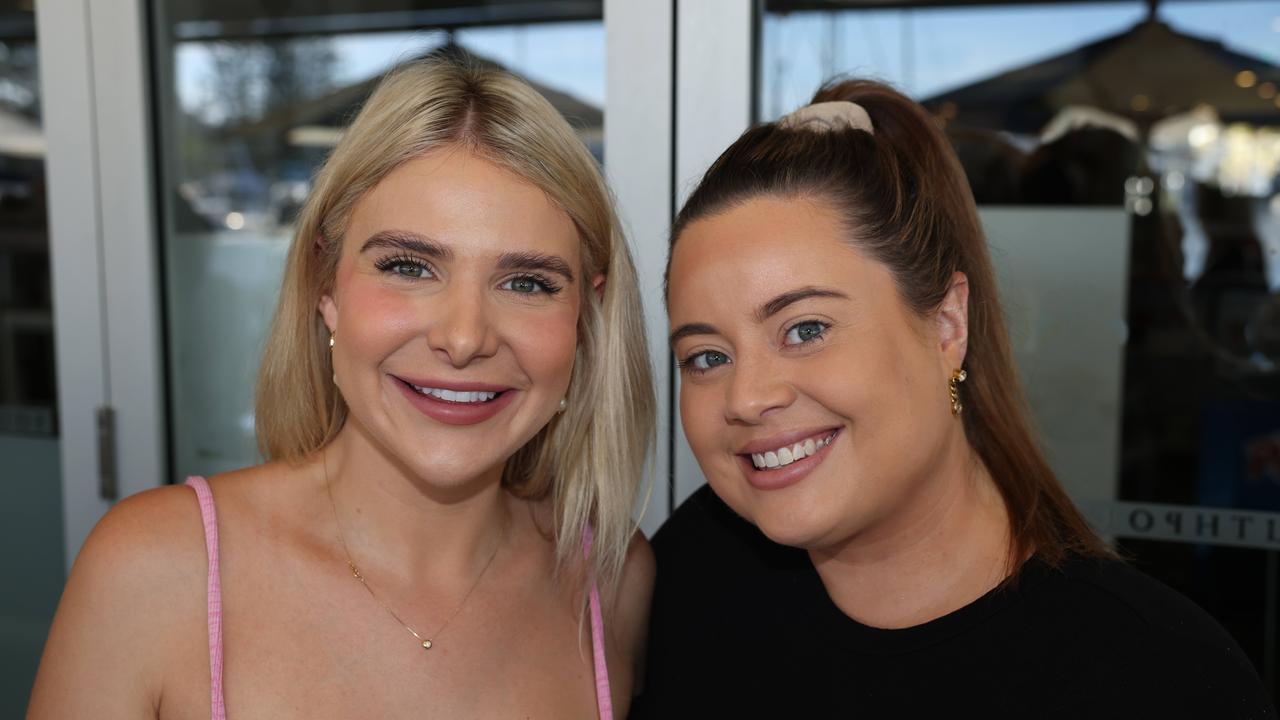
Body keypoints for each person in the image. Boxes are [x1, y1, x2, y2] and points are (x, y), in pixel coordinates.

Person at [30, 58, 655, 719]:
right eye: (409, 267)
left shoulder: (612, 580)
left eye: (527, 283)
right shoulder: (155, 570)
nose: (466, 337)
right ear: (325, 288)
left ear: (586, 319)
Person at [633, 79, 1275, 718]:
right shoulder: (692, 577)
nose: (746, 397)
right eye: (707, 357)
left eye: (806, 330)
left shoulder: (1161, 678)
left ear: (947, 327)